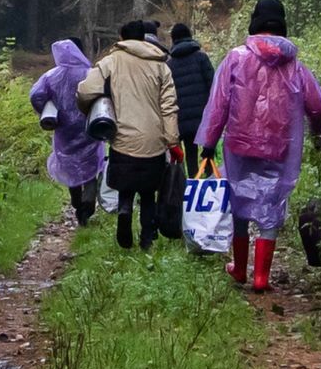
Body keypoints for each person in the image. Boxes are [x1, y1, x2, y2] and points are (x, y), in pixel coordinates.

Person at [196, 0, 321, 292]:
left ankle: (239, 269)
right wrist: (319, 136)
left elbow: (218, 105)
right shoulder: (295, 66)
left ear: (255, 21)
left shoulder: (235, 58)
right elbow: (318, 107)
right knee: (271, 204)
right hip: (279, 147)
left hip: (239, 145)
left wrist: (208, 143)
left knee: (239, 202)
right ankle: (261, 277)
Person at [77, 20, 180, 250]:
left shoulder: (111, 62)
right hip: (154, 140)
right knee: (147, 193)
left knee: (126, 187)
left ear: (122, 38)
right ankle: (145, 239)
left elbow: (85, 90)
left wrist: (90, 109)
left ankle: (124, 210)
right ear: (144, 38)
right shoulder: (161, 66)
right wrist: (172, 140)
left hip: (122, 139)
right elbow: (169, 106)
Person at [30, 38, 108, 225]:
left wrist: (46, 110)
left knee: (69, 163)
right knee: (91, 161)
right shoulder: (90, 74)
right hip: (89, 125)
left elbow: (35, 95)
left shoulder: (51, 76)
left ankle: (76, 199)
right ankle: (89, 197)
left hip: (64, 128)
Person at [166, 23, 214, 166]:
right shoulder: (201, 58)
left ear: (173, 40)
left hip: (181, 119)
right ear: (190, 36)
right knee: (208, 152)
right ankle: (209, 180)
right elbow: (213, 85)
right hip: (202, 117)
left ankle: (189, 183)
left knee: (190, 153)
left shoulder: (169, 65)